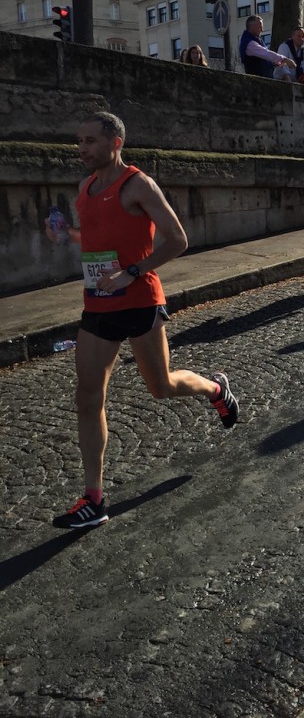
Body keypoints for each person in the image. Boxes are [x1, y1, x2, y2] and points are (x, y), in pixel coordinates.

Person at [45, 112, 239, 530]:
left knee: (161, 386)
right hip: (97, 305)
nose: (82, 149)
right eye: (79, 141)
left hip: (139, 301)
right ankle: (93, 498)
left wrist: (131, 272)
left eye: (91, 141)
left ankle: (215, 389)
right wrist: (64, 236)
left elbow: (178, 239)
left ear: (115, 143)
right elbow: (96, 237)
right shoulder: (85, 188)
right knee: (87, 397)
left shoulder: (137, 184)